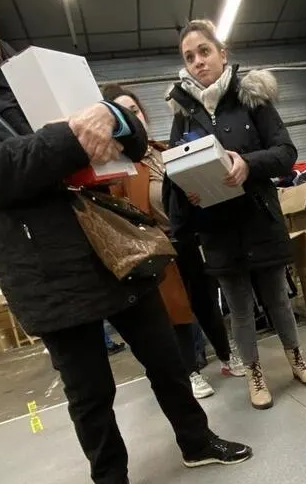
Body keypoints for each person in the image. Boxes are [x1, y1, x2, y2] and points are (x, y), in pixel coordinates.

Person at [0, 0, 250, 484]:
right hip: (43, 265)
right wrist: (73, 136)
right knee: (89, 389)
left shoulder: (36, 68)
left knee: (166, 358)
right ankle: (111, 480)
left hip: (113, 245)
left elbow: (130, 139)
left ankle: (197, 440)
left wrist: (114, 116)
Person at [165, 19, 306, 410]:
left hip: (258, 218)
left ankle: (296, 359)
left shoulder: (252, 97)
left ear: (222, 54)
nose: (198, 62)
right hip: (217, 230)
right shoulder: (183, 113)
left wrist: (248, 164)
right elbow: (175, 170)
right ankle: (253, 373)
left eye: (204, 51)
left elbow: (286, 153)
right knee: (239, 308)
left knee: (278, 298)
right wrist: (188, 191)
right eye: (189, 57)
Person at [100, 82, 246, 399]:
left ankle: (226, 356)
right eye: (123, 112)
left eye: (135, 109)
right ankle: (190, 372)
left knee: (206, 303)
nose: (133, 115)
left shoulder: (163, 151)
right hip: (156, 249)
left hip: (187, 240)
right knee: (175, 312)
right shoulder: (119, 165)